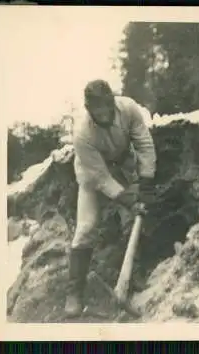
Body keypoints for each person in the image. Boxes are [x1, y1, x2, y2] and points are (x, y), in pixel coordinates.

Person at [66, 79, 157, 317]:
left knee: (135, 216)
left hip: (123, 163)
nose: (104, 114)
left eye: (106, 107)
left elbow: (144, 144)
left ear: (112, 101)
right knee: (86, 227)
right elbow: (101, 178)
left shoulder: (128, 109)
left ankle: (133, 276)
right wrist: (127, 198)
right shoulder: (82, 134)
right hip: (91, 173)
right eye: (97, 110)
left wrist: (146, 182)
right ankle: (74, 292)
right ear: (89, 109)